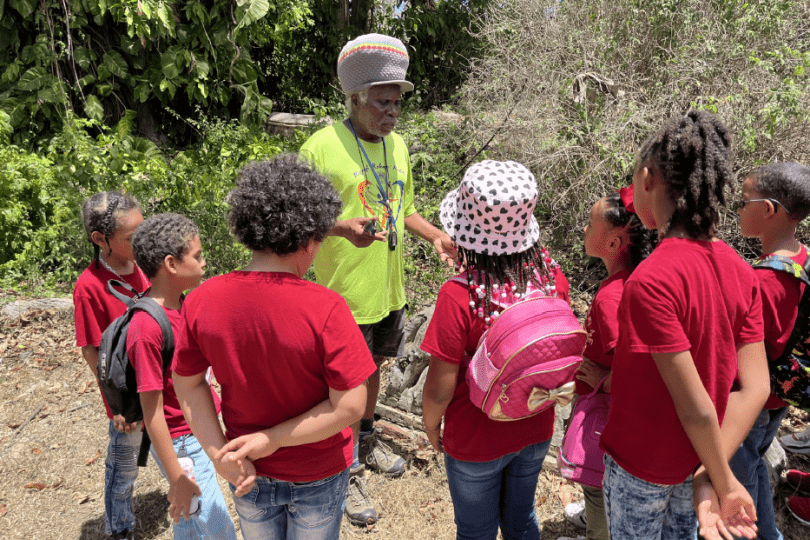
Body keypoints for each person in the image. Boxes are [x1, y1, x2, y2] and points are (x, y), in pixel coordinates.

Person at [172, 155, 377, 540]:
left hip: (244, 469)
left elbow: (188, 385)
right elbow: (351, 405)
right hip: (317, 472)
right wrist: (272, 440)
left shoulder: (202, 299)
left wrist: (220, 456)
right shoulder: (327, 307)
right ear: (310, 237)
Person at [299, 32, 457, 524]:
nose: (392, 113)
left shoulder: (399, 146)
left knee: (372, 371)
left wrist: (435, 236)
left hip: (387, 289)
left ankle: (365, 442)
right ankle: (342, 471)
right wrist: (341, 227)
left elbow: (403, 208)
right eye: (383, 103)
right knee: (340, 385)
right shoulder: (322, 147)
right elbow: (295, 221)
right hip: (340, 294)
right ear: (355, 97)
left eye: (396, 104)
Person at [599, 110, 771, 540]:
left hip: (640, 466)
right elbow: (755, 387)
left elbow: (694, 407)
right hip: (696, 464)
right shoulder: (742, 270)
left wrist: (726, 482)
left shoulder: (650, 280)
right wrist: (707, 471)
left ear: (647, 178)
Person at [421, 159, 570, 540]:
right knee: (521, 521)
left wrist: (430, 424)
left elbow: (440, 384)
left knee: (476, 531)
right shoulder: (552, 278)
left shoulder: (461, 295)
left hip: (474, 438)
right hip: (536, 423)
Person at [128, 213, 237, 539]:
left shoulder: (185, 304)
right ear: (171, 264)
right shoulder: (146, 328)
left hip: (199, 429)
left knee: (190, 522)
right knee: (218, 528)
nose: (205, 263)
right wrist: (177, 476)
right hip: (182, 445)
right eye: (198, 256)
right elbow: (152, 411)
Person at [559, 188, 651, 540]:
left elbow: (637, 374)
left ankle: (598, 531)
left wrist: (601, 378)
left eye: (589, 224)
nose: (583, 229)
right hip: (613, 413)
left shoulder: (612, 297)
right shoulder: (626, 283)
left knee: (597, 482)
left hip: (606, 413)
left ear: (613, 244)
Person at [731, 162, 810, 538]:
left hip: (753, 402)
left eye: (744, 201)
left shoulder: (764, 279)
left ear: (769, 209)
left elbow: (751, 350)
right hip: (780, 395)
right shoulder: (802, 258)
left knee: (739, 481)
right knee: (755, 462)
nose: (739, 209)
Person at [73, 191, 149, 540]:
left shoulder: (147, 264)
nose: (143, 241)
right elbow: (92, 350)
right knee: (124, 465)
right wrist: (116, 405)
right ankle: (120, 526)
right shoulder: (89, 286)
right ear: (100, 240)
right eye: (132, 238)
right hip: (128, 393)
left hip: (159, 382)